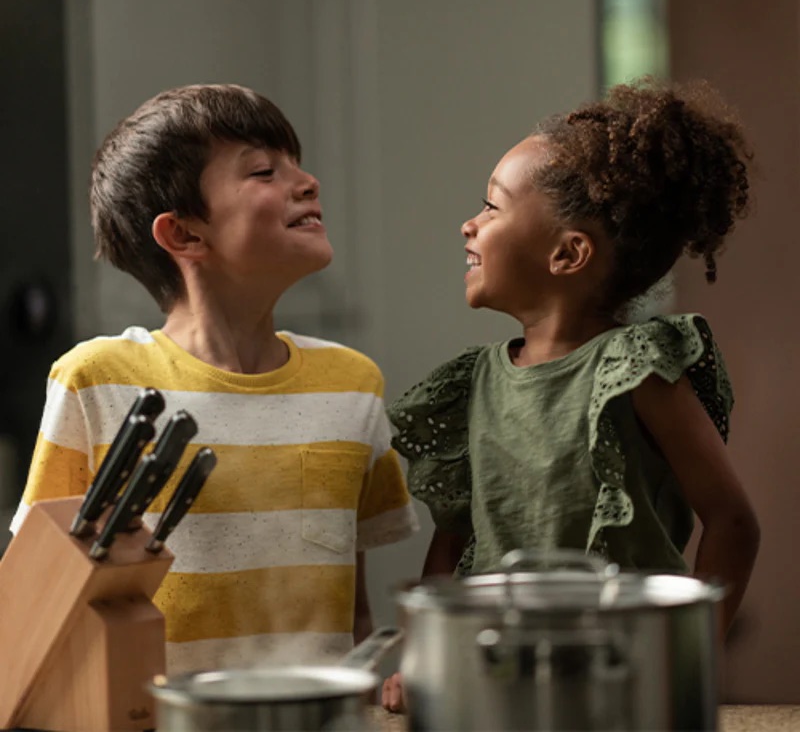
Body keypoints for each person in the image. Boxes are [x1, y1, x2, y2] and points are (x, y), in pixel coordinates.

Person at [10, 84, 418, 674]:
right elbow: (36, 599)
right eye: (264, 171)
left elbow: (352, 613)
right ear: (184, 235)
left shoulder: (353, 384)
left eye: (297, 164)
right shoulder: (96, 382)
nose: (308, 182)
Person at [382, 77, 760, 712]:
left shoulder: (636, 371)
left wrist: (693, 656)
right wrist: (424, 660)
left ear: (567, 254)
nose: (469, 224)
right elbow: (451, 544)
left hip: (619, 688)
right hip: (496, 685)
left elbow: (733, 521)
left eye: (492, 207)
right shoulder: (470, 385)